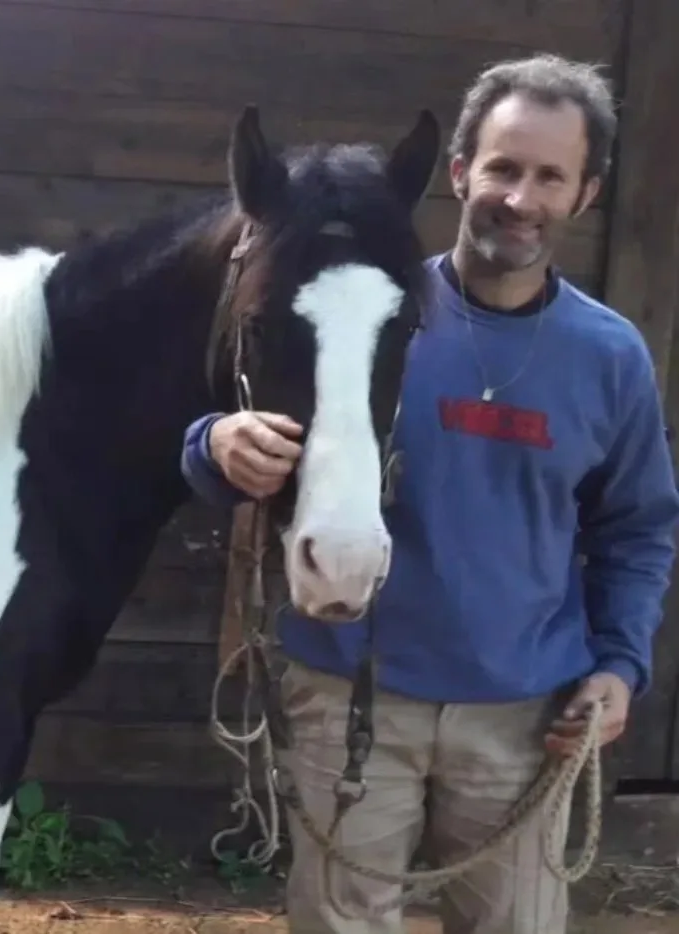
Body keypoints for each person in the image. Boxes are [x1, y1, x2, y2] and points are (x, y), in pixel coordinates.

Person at [182, 54, 679, 933]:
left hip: (525, 715)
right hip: (353, 692)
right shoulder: (361, 307)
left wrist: (619, 665)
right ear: (459, 174)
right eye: (502, 168)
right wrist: (212, 444)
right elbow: (244, 406)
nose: (520, 199)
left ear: (585, 194)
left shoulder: (609, 358)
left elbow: (638, 528)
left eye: (549, 177)